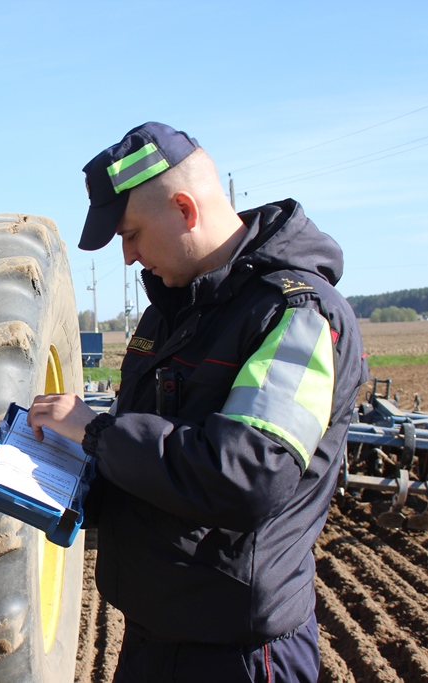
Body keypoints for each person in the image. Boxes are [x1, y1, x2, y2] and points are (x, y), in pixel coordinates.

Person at [28, 122, 367, 682]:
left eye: (132, 233)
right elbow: (157, 461)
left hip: (238, 655)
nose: (129, 257)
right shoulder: (168, 315)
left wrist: (98, 434)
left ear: (185, 209)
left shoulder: (293, 315)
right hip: (153, 640)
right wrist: (69, 479)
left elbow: (249, 474)